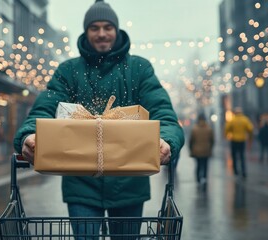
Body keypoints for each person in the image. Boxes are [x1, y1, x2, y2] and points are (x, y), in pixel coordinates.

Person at [13, 0, 185, 238]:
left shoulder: (139, 69)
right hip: (80, 182)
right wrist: (29, 135)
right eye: (94, 28)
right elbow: (43, 109)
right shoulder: (68, 71)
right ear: (86, 31)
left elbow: (164, 113)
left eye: (107, 27)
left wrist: (167, 140)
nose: (102, 34)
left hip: (129, 182)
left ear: (116, 30)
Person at [224, 107, 253, 179]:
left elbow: (227, 128)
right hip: (242, 140)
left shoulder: (232, 120)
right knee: (242, 156)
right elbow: (250, 128)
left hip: (234, 140)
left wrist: (227, 135)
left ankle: (236, 171)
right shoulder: (245, 120)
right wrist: (249, 137)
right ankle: (243, 172)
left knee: (234, 156)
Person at [189, 113, 214, 187]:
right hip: (206, 150)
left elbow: (191, 141)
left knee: (198, 165)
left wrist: (191, 149)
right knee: (205, 165)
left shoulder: (194, 129)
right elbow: (212, 140)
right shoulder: (209, 129)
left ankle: (198, 179)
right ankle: (205, 178)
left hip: (196, 151)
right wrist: (210, 148)